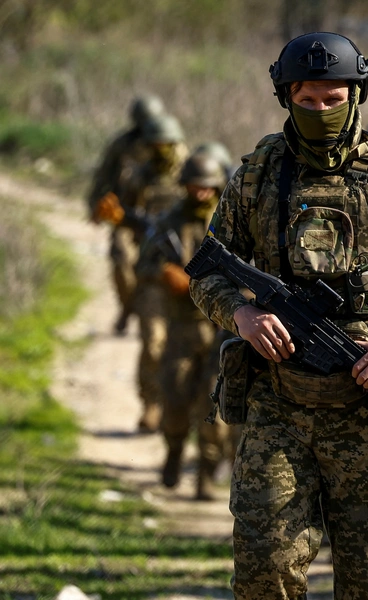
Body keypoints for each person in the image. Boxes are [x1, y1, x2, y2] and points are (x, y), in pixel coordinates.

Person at [188, 32, 368, 599]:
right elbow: (206, 272)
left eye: (332, 99)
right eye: (307, 100)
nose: (320, 111)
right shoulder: (257, 175)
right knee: (264, 575)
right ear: (286, 96)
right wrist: (240, 314)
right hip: (278, 406)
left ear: (356, 96)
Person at [136, 151, 232, 499]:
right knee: (175, 396)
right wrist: (164, 274)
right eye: (194, 186)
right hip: (183, 325)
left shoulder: (231, 219)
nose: (201, 193)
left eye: (207, 187)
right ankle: (174, 449)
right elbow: (143, 266)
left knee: (214, 405)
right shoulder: (168, 223)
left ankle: (206, 473)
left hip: (224, 327)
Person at [121, 113, 190, 433]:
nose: (160, 150)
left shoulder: (194, 174)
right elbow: (126, 216)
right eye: (155, 145)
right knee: (153, 343)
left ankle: (180, 415)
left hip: (192, 279)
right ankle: (150, 403)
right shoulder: (141, 176)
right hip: (152, 274)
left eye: (166, 144)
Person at [87, 95, 167, 334]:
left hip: (159, 218)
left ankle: (146, 314)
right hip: (125, 214)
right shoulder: (122, 145)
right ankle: (127, 308)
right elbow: (104, 175)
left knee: (154, 270)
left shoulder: (168, 143)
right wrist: (94, 205)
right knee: (121, 261)